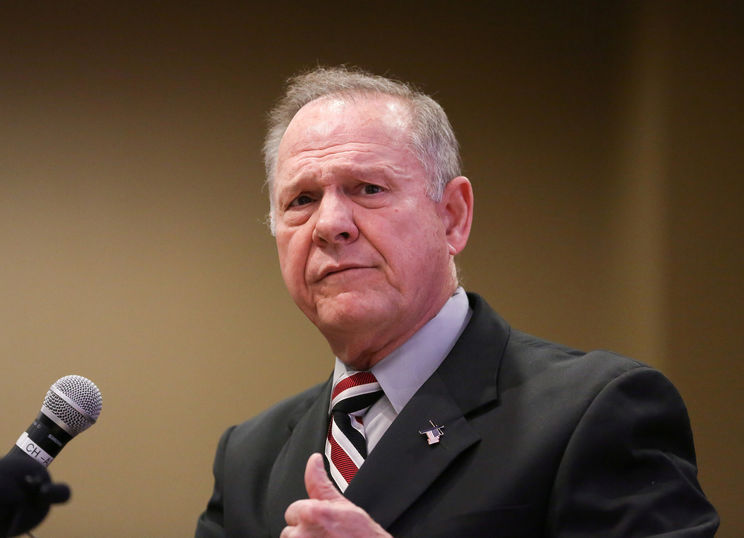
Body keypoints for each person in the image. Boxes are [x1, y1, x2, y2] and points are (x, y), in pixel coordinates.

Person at [195, 66, 719, 537]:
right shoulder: (248, 458)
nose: (331, 224)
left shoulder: (595, 412)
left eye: (368, 188)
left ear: (452, 216)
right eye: (301, 200)